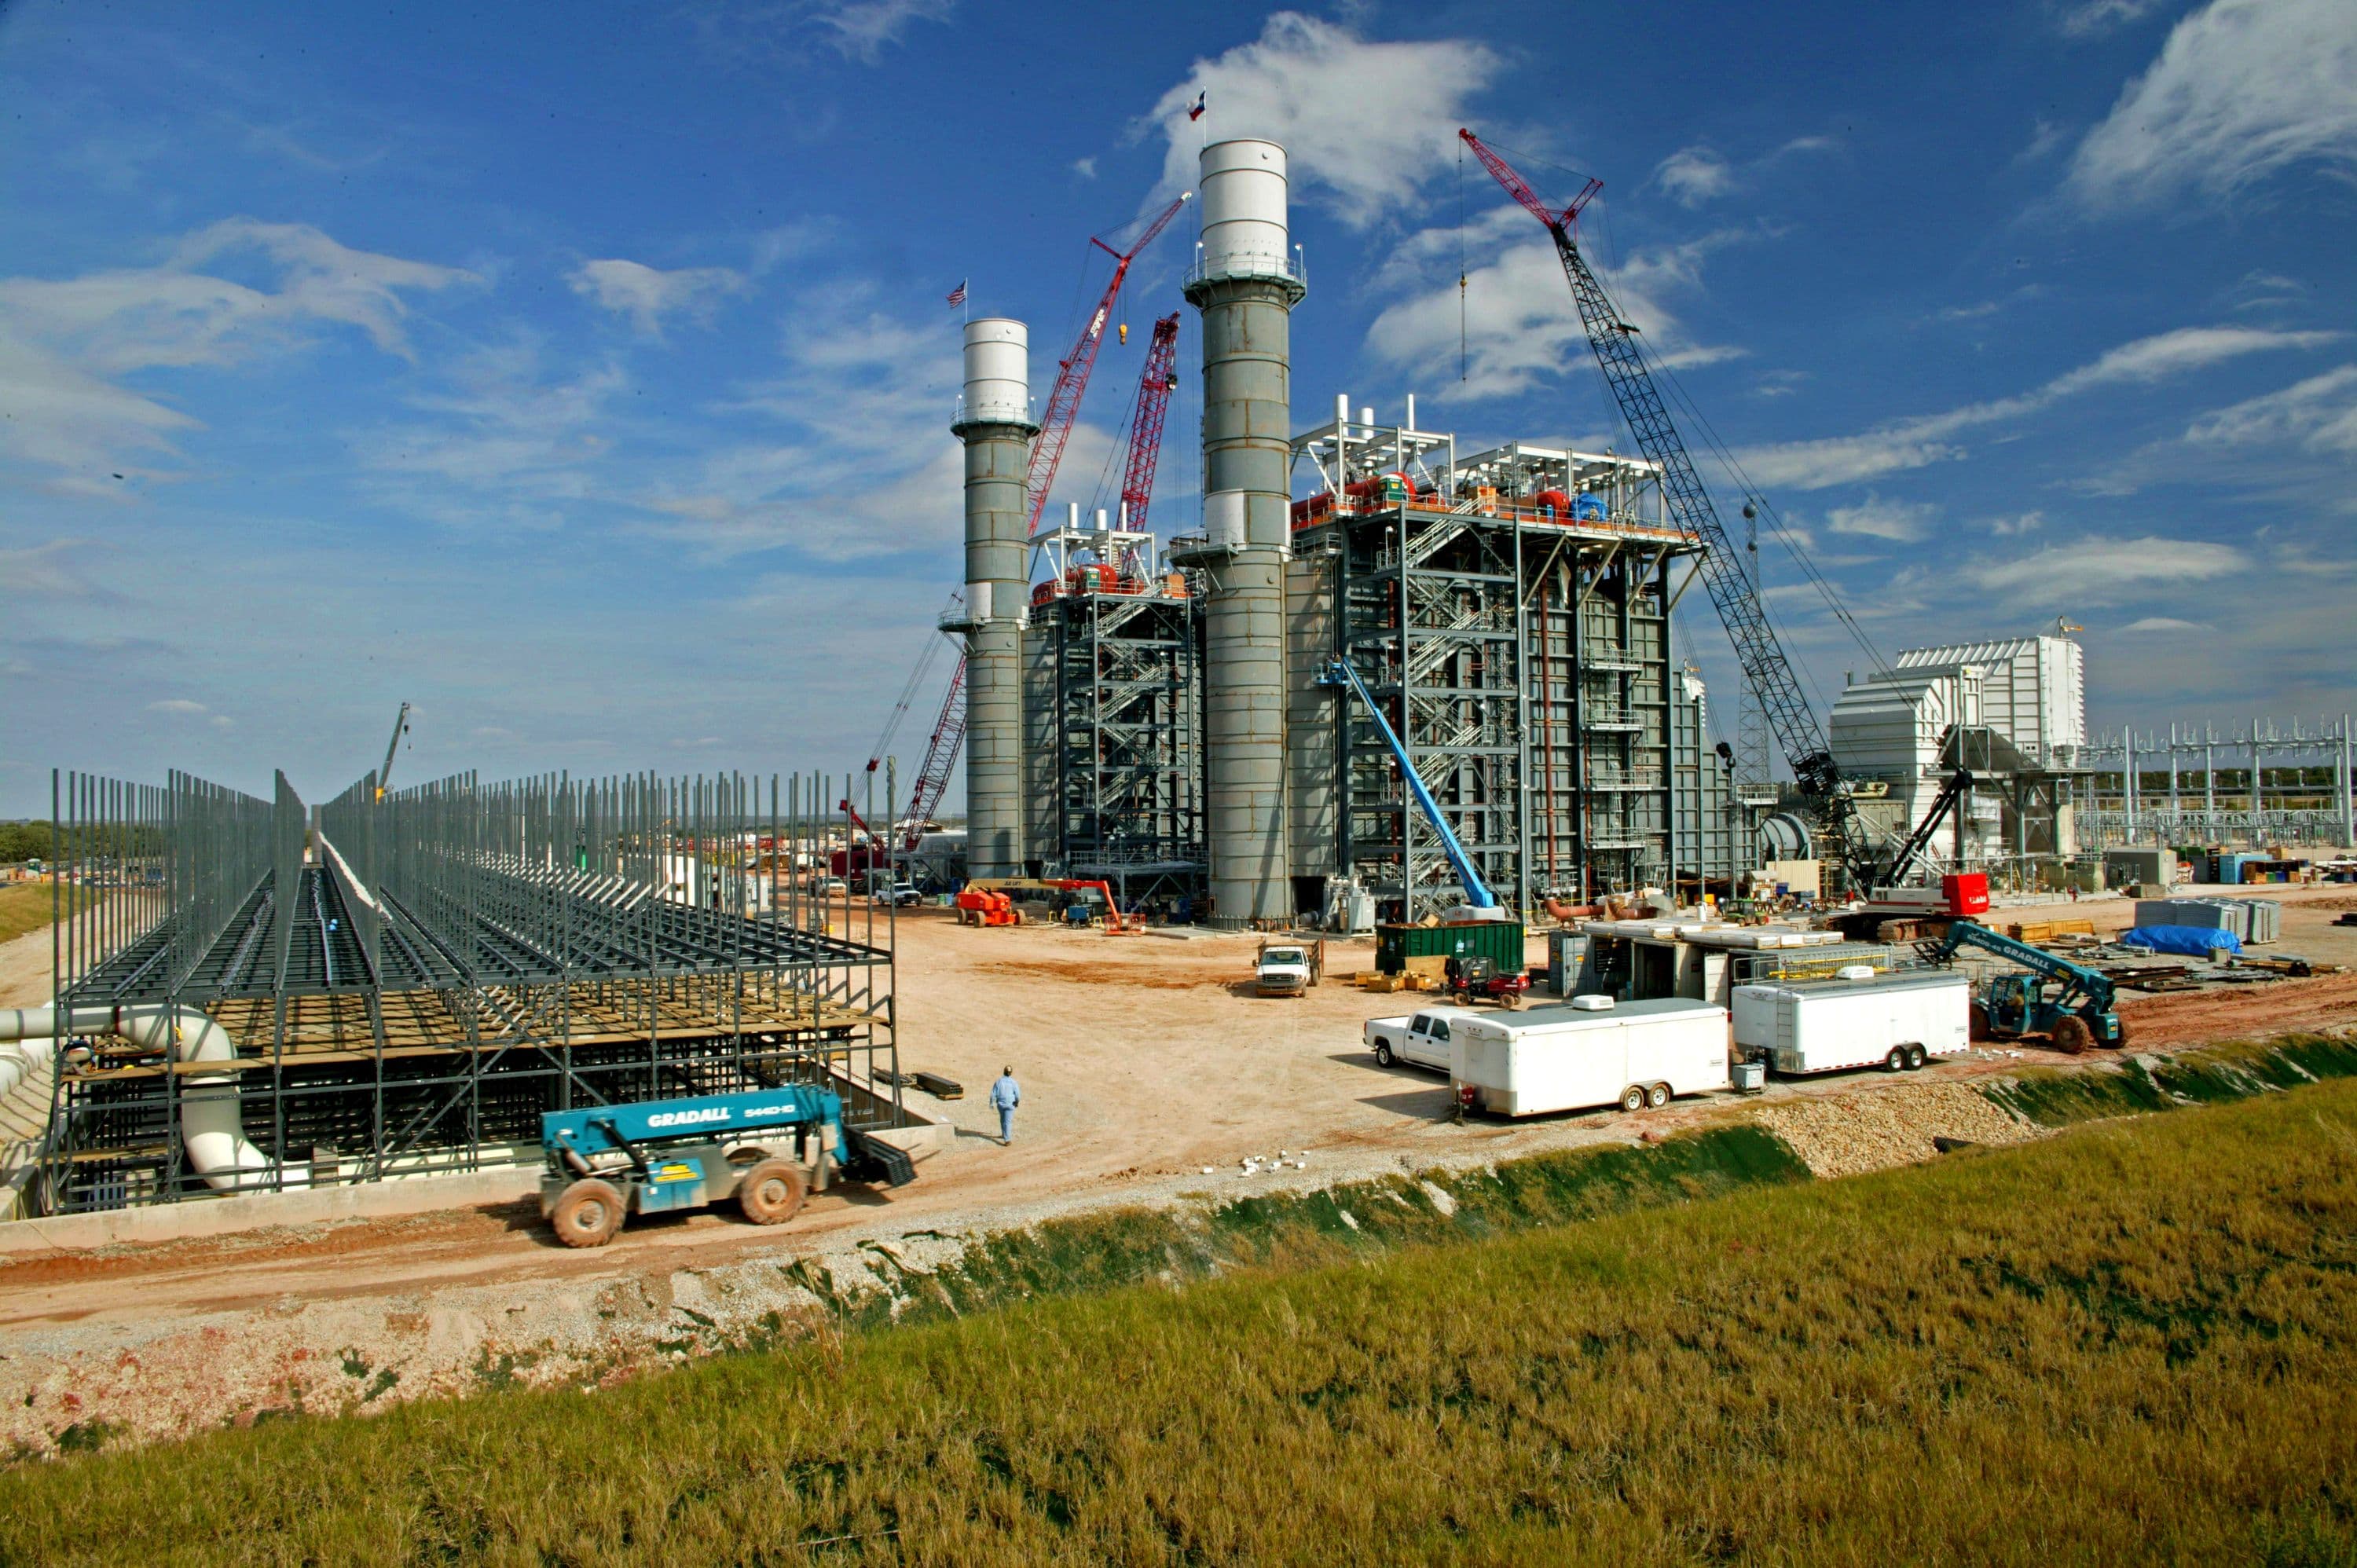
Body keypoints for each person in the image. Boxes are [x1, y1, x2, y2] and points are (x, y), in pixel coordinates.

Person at [988, 1065, 1021, 1145]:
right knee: (1008, 1122)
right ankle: (1007, 1140)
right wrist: (1017, 1102)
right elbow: (1017, 1095)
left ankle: (1004, 1134)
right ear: (1011, 1073)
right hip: (1010, 1104)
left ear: (1004, 1071)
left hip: (1001, 1104)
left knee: (1002, 1119)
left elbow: (993, 1093)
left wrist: (991, 1103)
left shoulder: (999, 1081)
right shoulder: (1013, 1082)